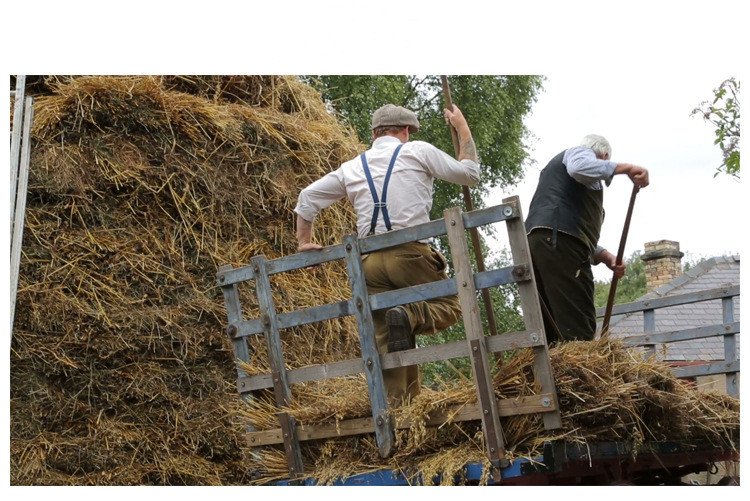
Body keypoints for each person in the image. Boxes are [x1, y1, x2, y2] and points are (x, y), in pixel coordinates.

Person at [294, 103, 480, 406]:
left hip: (367, 263)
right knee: (452, 303)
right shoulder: (417, 151)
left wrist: (304, 242)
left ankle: (398, 413)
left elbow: (307, 198)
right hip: (410, 256)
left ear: (374, 133)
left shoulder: (353, 166)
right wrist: (462, 127)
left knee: (388, 343)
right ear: (405, 131)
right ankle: (409, 315)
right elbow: (470, 174)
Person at [525, 134, 649, 343]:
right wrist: (626, 168)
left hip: (537, 246)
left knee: (550, 327)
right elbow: (578, 167)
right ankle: (577, 375)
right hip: (556, 242)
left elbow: (574, 231)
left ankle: (552, 373)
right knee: (578, 325)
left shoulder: (567, 186)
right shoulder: (579, 153)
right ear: (604, 156)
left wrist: (604, 255)